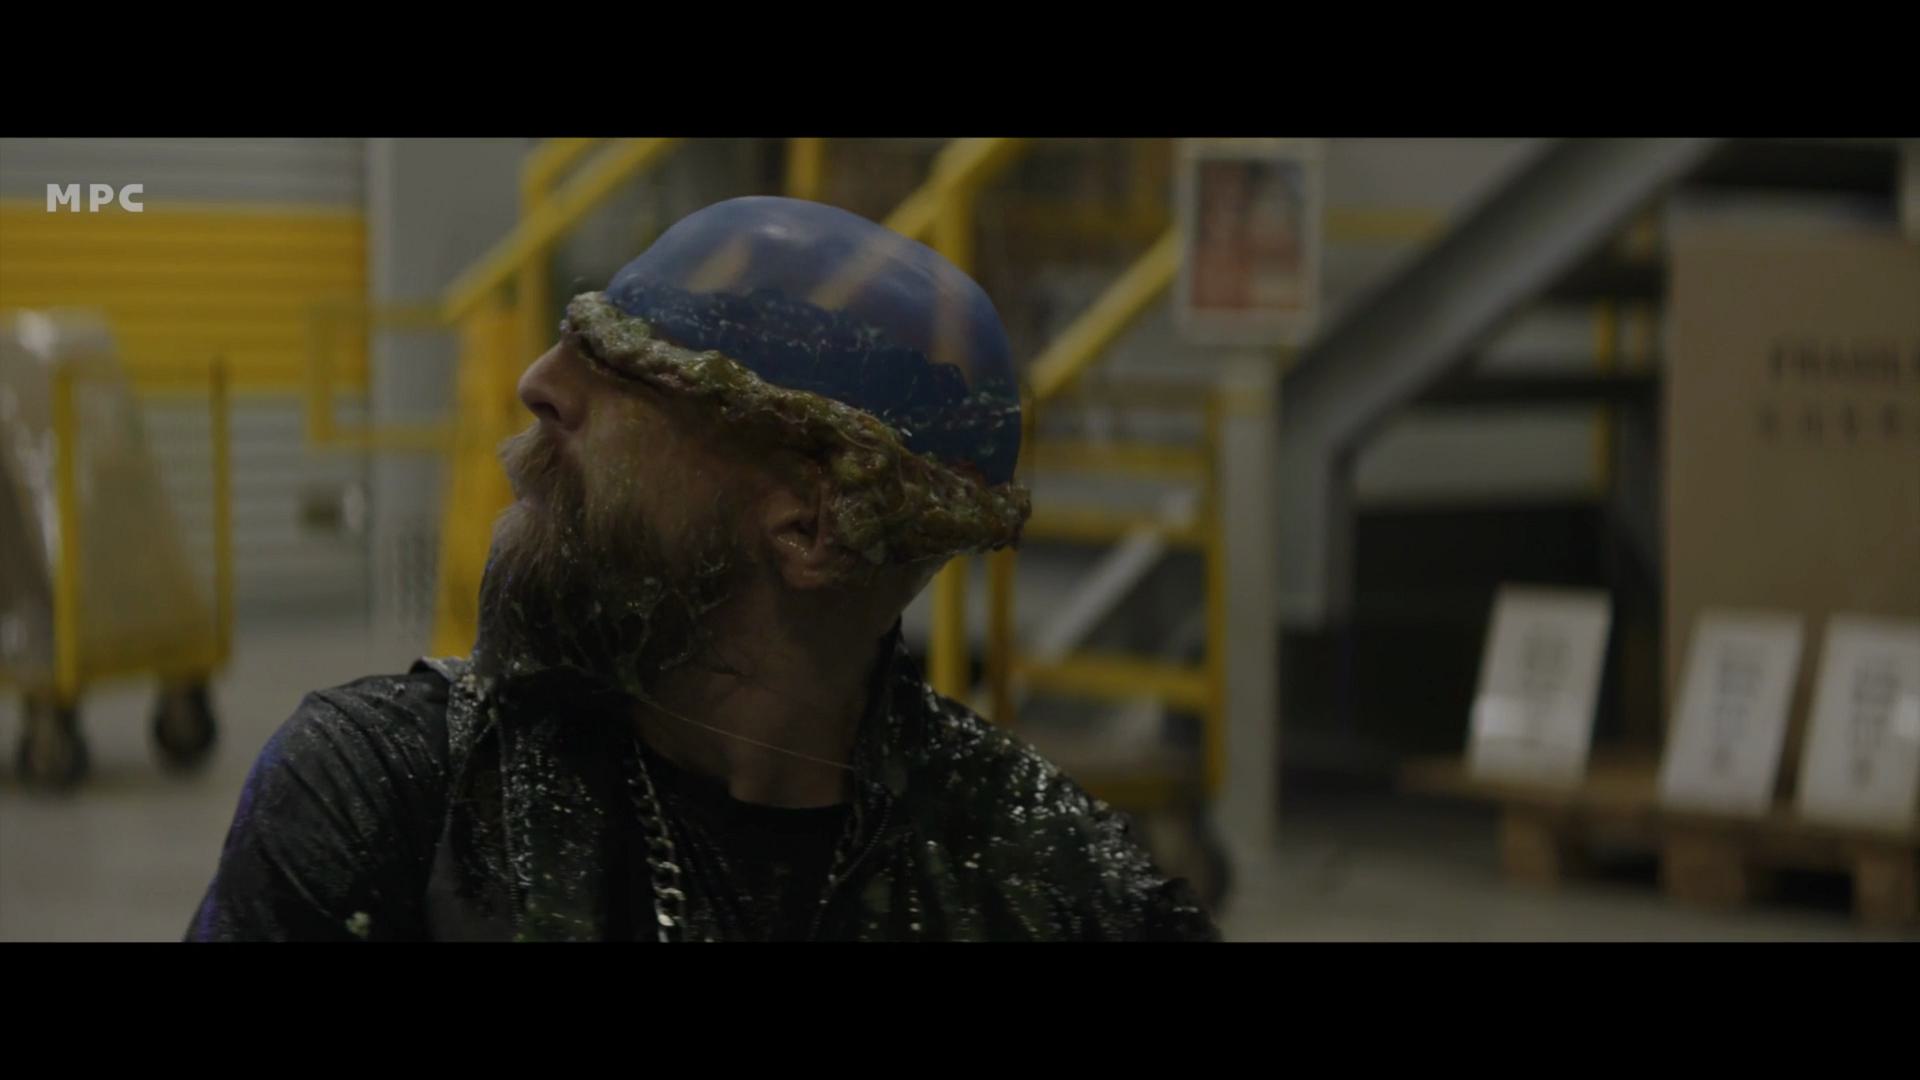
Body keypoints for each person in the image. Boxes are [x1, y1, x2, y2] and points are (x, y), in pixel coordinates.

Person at [186, 196, 1220, 942]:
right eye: (570, 345)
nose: (537, 386)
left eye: (634, 374)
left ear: (816, 525)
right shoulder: (388, 800)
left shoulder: (1049, 886)